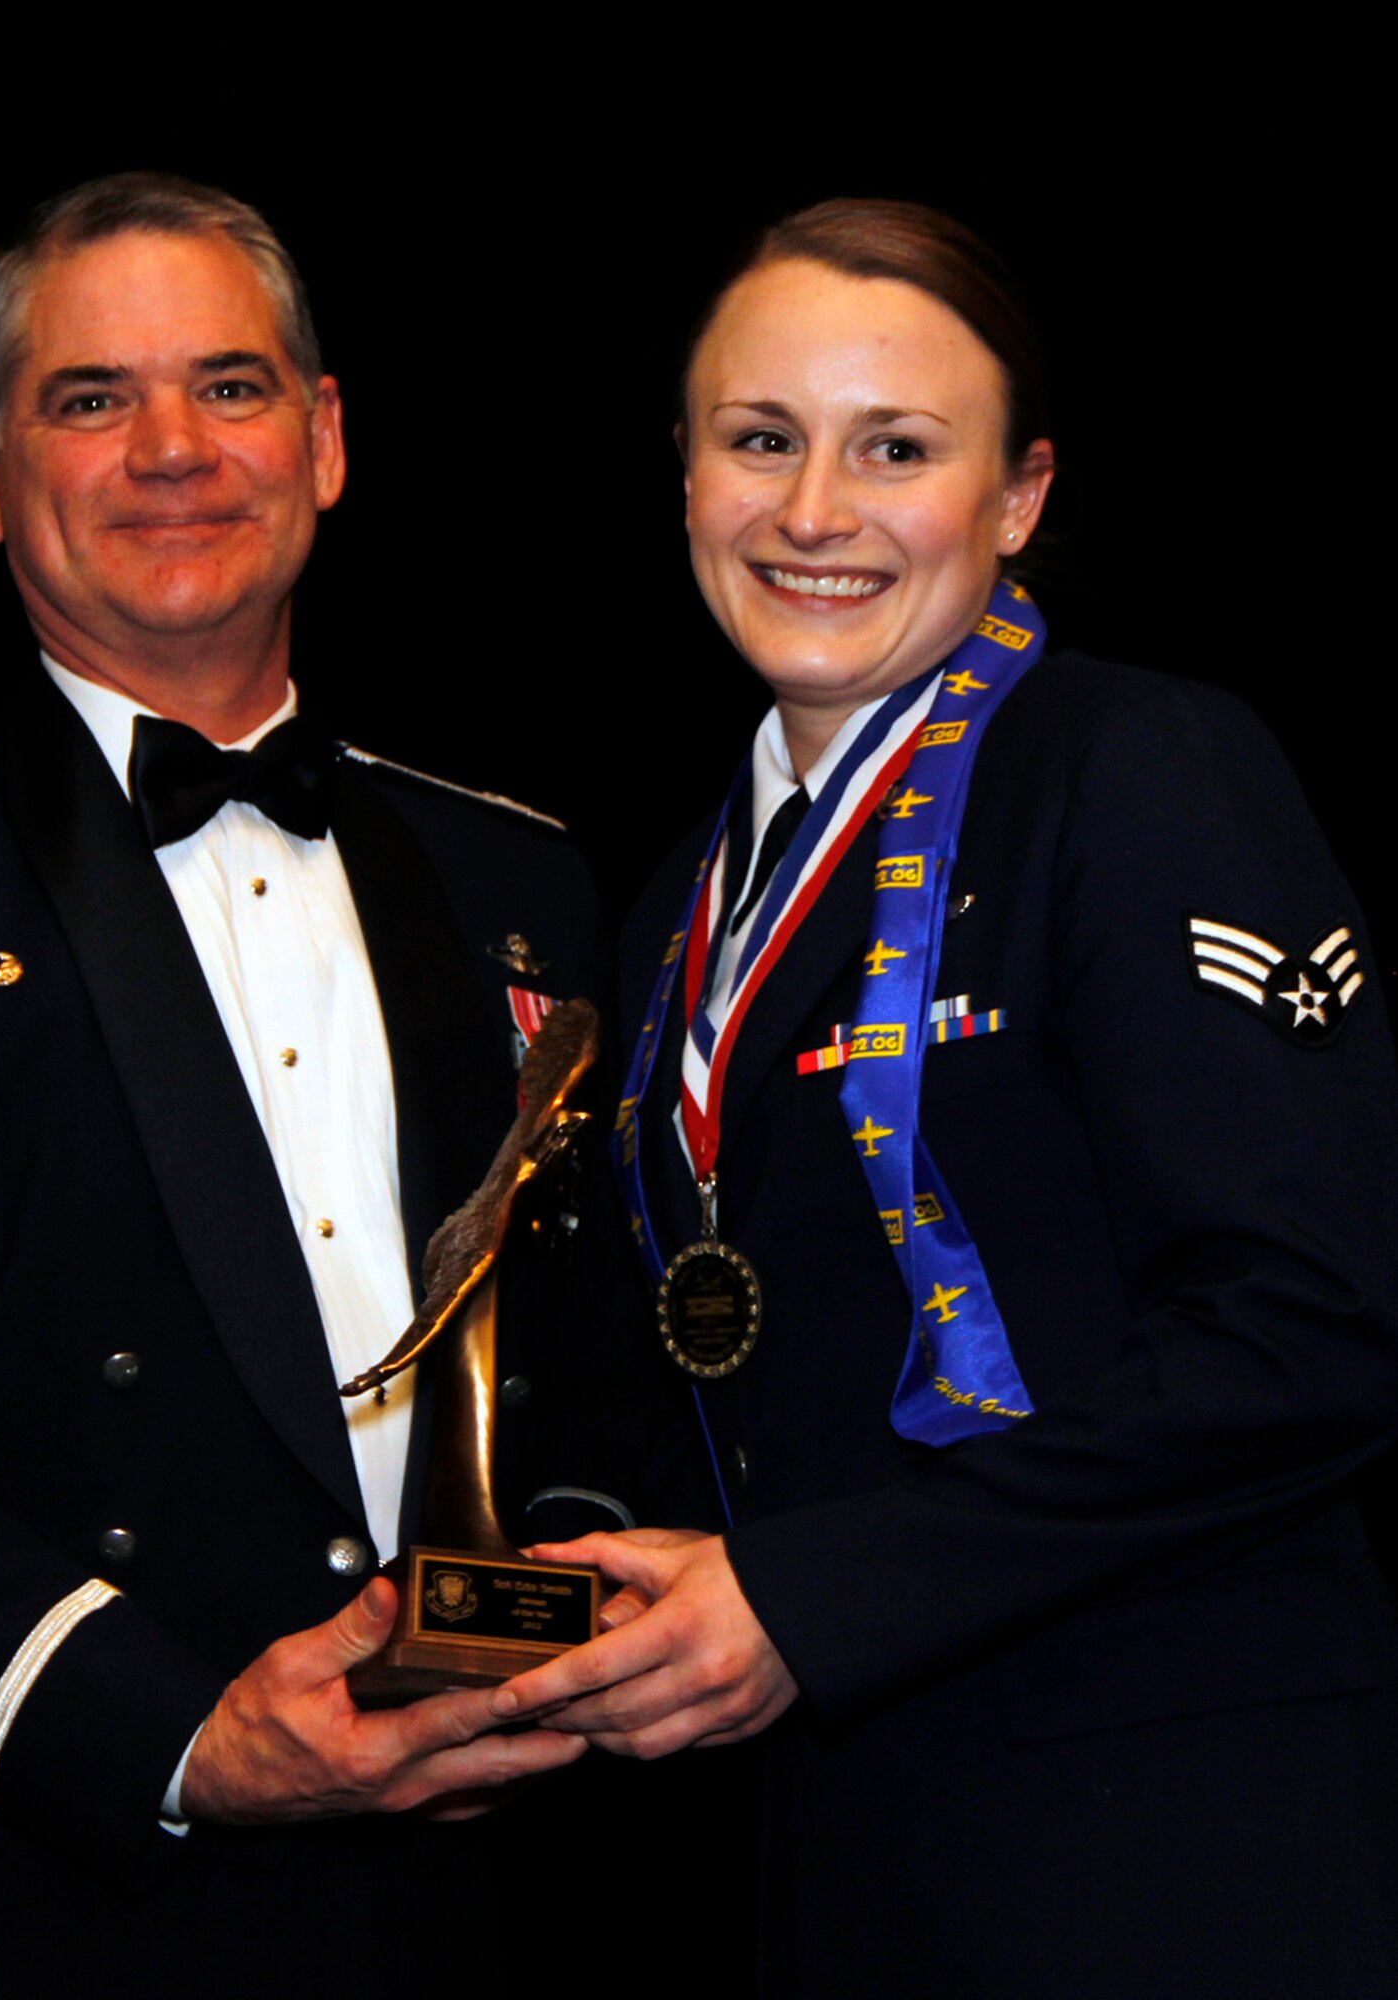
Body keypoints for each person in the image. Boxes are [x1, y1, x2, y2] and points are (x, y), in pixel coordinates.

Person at [0, 172, 639, 1995]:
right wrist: (188, 1736)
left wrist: (553, 1629)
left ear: (326, 438)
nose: (173, 450)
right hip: (32, 1892)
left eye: (230, 385)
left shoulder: (517, 878)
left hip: (465, 1887)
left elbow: (586, 1371)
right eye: (90, 398)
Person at [488, 199, 1398, 1995]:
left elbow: (1307, 1337)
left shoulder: (1140, 770)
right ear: (684, 476)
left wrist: (809, 1605)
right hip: (836, 1851)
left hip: (1161, 1844)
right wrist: (581, 1572)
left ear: (1020, 495)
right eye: (762, 440)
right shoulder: (683, 896)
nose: (813, 512)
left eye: (894, 449)